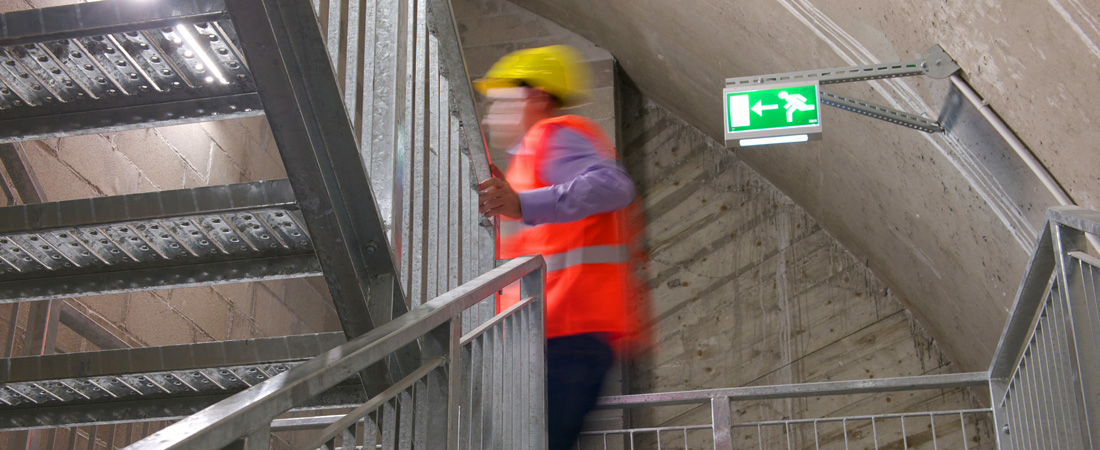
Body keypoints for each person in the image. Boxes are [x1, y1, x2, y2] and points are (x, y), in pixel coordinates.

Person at [475, 45, 650, 450]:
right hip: (554, 334)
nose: (490, 115)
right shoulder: (530, 159)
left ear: (535, 97)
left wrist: (522, 203)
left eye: (500, 100)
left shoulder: (554, 134)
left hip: (570, 331)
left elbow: (614, 186)